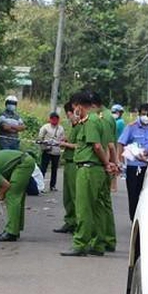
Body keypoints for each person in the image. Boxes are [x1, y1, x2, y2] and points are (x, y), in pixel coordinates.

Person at [61, 91, 114, 257]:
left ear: (77, 106)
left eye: (74, 107)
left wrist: (106, 163)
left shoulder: (90, 122)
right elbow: (109, 145)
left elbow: (97, 146)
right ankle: (99, 244)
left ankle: (80, 243)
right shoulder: (101, 120)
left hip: (89, 168)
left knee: (83, 208)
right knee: (99, 208)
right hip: (98, 170)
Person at [117, 103, 148, 222]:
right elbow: (121, 143)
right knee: (133, 195)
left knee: (146, 194)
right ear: (139, 115)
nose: (145, 117)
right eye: (143, 114)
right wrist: (120, 161)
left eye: (147, 115)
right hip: (134, 166)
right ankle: (134, 219)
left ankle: (144, 218)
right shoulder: (132, 127)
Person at [91, 92, 117, 252]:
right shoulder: (106, 116)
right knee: (104, 204)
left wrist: (109, 164)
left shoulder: (102, 118)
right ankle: (108, 239)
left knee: (99, 205)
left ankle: (102, 240)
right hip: (106, 165)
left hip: (101, 166)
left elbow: (107, 145)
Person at [53, 102, 78, 234]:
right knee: (67, 196)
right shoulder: (73, 126)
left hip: (75, 162)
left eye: (69, 114)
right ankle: (70, 221)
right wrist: (65, 141)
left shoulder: (82, 125)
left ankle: (78, 224)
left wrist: (64, 144)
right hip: (68, 161)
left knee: (75, 195)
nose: (69, 117)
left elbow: (80, 145)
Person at [38, 112, 65, 191]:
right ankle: (40, 185)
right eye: (53, 119)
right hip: (47, 150)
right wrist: (45, 142)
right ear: (50, 119)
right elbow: (40, 137)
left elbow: (63, 138)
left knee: (54, 169)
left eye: (56, 119)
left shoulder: (61, 128)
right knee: (43, 168)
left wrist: (62, 141)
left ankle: (52, 186)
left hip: (56, 151)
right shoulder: (45, 127)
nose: (54, 121)